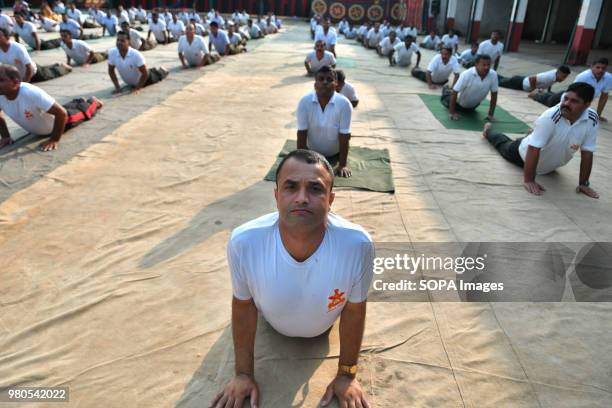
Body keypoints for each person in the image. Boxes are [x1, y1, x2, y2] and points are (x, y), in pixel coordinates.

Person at [211, 148, 373, 408]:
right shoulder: (244, 242)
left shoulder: (357, 245)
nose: (301, 198)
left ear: (331, 199)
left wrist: (347, 374)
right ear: (276, 196)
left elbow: (354, 310)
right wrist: (242, 374)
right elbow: (243, 305)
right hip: (270, 324)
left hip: (323, 331)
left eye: (315, 189)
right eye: (290, 187)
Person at [483, 82, 600, 198]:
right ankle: (488, 131)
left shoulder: (592, 119)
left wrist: (584, 184)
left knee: (536, 138)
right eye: (566, 98)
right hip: (522, 155)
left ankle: (532, 135)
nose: (566, 103)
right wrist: (529, 180)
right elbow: (533, 148)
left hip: (548, 165)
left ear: (586, 105)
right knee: (503, 144)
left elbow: (587, 152)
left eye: (574, 101)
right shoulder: (551, 116)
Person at [0, 64, 103, 152]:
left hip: (64, 121)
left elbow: (62, 114)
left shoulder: (30, 93)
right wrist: (5, 136)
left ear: (16, 82)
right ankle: (78, 101)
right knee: (58, 107)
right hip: (48, 117)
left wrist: (54, 139)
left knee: (84, 111)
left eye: (1, 80)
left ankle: (93, 101)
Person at [296, 66, 353, 178]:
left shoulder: (344, 104)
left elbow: (344, 136)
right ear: (315, 84)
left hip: (334, 154)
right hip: (311, 153)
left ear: (336, 84)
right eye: (321, 79)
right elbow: (301, 133)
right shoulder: (304, 102)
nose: (325, 82)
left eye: (329, 79)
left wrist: (342, 165)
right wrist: (301, 163)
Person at [0, 28, 72, 83]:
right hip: (19, 76)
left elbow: (29, 67)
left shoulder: (17, 48)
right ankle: (56, 64)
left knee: (53, 73)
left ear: (7, 37)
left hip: (34, 74)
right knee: (47, 69)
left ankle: (64, 67)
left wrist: (26, 82)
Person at [442, 54, 498, 121]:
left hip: (472, 107)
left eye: (488, 65)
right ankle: (446, 89)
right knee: (447, 93)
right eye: (484, 65)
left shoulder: (493, 75)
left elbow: (494, 95)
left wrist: (490, 115)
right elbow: (455, 92)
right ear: (476, 64)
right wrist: (451, 112)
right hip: (457, 104)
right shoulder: (467, 74)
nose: (486, 67)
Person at [498, 65, 570, 93]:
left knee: (503, 79)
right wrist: (533, 91)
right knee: (499, 82)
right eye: (563, 76)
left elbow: (550, 83)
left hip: (521, 81)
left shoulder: (556, 76)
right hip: (519, 83)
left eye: (565, 77)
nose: (564, 79)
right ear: (558, 72)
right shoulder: (548, 76)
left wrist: (549, 90)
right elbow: (532, 79)